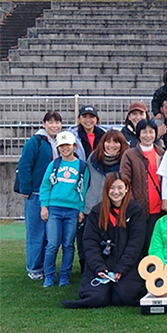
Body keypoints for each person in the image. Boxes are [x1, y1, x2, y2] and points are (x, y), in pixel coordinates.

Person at [62, 173, 146, 308]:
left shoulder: (136, 211)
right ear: (106, 189)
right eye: (112, 188)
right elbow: (90, 242)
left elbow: (135, 244)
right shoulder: (97, 212)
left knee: (123, 297)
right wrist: (99, 268)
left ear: (127, 189)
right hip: (103, 264)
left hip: (126, 265)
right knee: (97, 298)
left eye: (120, 188)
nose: (116, 192)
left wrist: (121, 269)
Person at [39, 131, 90, 287]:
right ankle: (49, 276)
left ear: (74, 146)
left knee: (68, 245)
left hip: (72, 210)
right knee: (52, 244)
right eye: (61, 145)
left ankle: (64, 277)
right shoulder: (54, 164)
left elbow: (84, 190)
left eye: (67, 145)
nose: (64, 148)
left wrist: (81, 209)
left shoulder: (82, 166)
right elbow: (46, 186)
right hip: (54, 209)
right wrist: (44, 206)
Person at [17, 110, 61, 280]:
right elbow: (25, 165)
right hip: (36, 194)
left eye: (57, 122)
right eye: (50, 122)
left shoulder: (59, 142)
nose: (54, 125)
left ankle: (46, 266)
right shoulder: (35, 142)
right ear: (44, 124)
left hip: (54, 196)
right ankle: (34, 268)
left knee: (50, 235)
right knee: (36, 233)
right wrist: (26, 190)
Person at [78, 130, 128, 272]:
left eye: (116, 142)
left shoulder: (125, 160)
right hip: (91, 206)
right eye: (108, 141)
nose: (111, 145)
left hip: (113, 208)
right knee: (87, 240)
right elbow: (85, 182)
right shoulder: (93, 158)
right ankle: (87, 269)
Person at [120, 119, 164, 255]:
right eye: (144, 132)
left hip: (158, 207)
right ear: (138, 134)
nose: (148, 135)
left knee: (155, 243)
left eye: (151, 132)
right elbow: (125, 180)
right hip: (138, 207)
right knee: (138, 242)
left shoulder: (162, 153)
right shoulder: (130, 154)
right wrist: (132, 203)